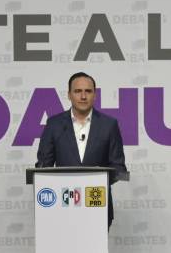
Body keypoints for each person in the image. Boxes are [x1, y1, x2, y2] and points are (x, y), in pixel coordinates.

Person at [36, 72, 127, 226]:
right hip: (62, 207)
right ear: (69, 95)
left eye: (88, 91)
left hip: (97, 205)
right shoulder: (54, 124)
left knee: (94, 251)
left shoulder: (109, 125)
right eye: (78, 91)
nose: (83, 96)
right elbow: (43, 167)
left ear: (95, 95)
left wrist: (94, 181)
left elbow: (119, 168)